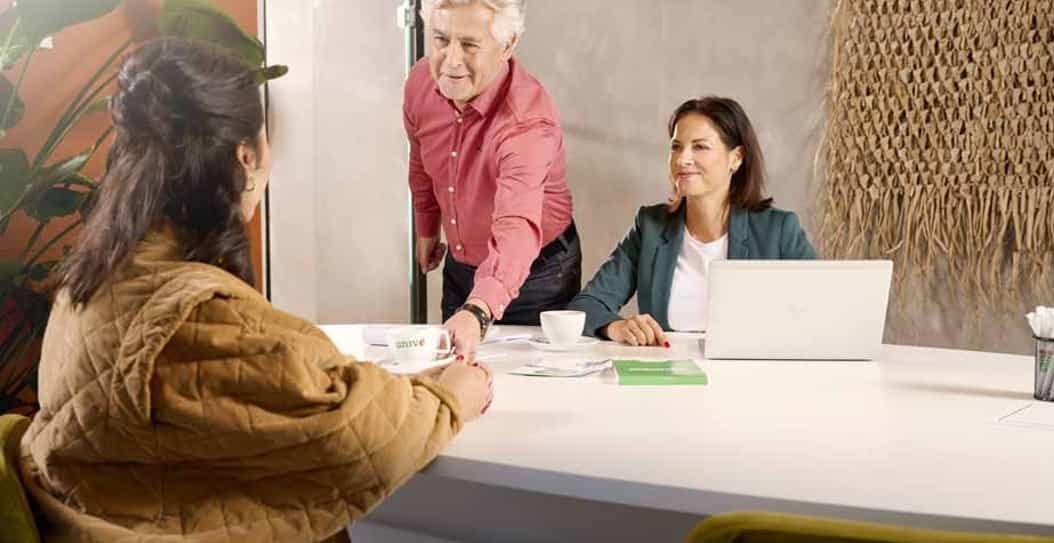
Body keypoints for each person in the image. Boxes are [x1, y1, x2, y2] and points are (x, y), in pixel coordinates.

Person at [19, 38, 491, 543]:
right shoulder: (194, 316)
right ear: (245, 157)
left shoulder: (91, 280)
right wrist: (449, 398)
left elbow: (257, 395)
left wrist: (409, 385)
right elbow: (353, 434)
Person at [404, 0, 580, 356]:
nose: (451, 61)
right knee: (456, 371)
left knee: (527, 379)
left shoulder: (527, 123)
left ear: (507, 44)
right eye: (441, 39)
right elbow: (421, 158)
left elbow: (517, 227)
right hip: (462, 262)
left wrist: (477, 310)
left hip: (538, 274)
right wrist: (427, 225)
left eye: (470, 45)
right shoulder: (421, 82)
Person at [568, 96, 816, 346]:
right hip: (670, 369)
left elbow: (821, 312)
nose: (682, 159)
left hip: (748, 368)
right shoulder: (651, 227)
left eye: (700, 147)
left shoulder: (779, 231)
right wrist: (615, 327)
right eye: (676, 147)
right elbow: (586, 305)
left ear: (736, 158)